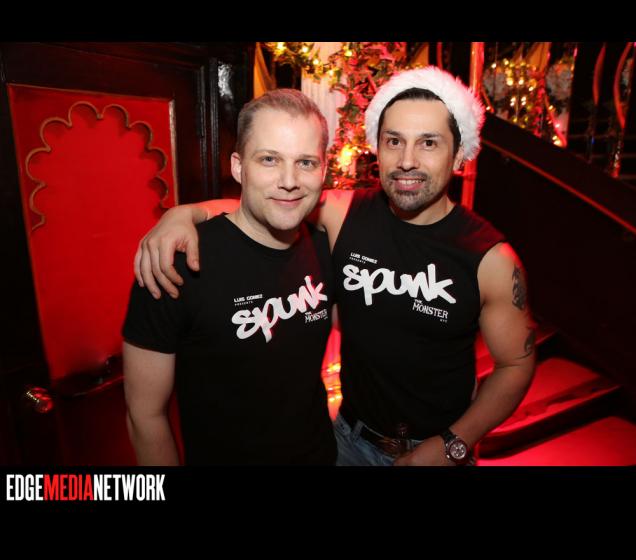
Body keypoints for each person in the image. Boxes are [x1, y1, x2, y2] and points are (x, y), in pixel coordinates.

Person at [133, 66, 537, 466]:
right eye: (394, 141)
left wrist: (452, 446)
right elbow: (274, 203)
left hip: (438, 449)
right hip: (347, 443)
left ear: (459, 153)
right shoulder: (344, 215)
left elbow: (516, 364)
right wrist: (184, 214)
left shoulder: (491, 259)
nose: (407, 160)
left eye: (428, 143)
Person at [122, 89, 338, 465]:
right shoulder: (176, 264)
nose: (289, 180)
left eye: (305, 162)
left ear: (322, 170)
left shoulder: (324, 245)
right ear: (239, 167)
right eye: (269, 159)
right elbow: (145, 416)